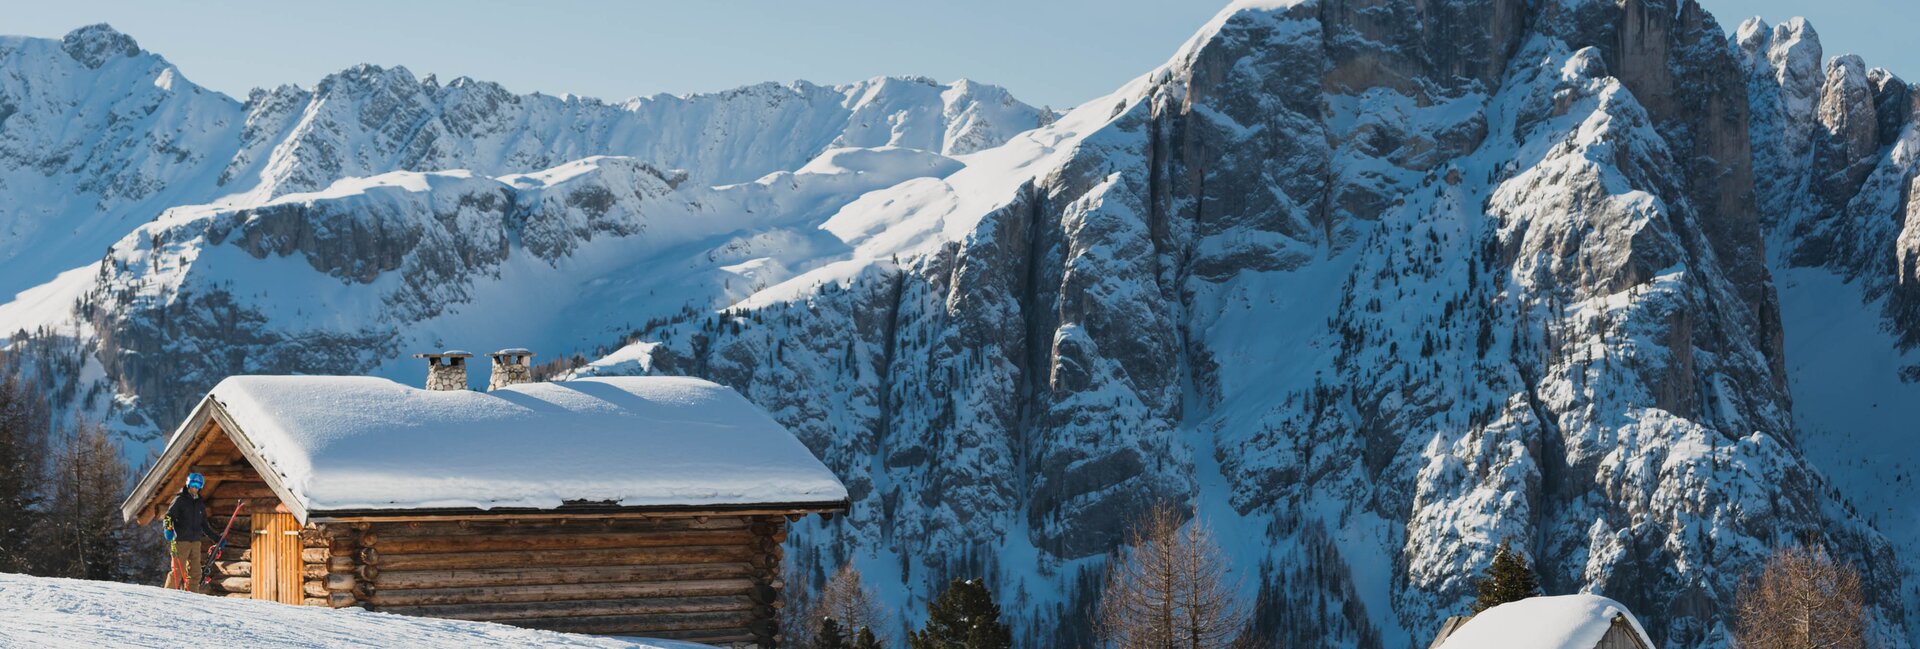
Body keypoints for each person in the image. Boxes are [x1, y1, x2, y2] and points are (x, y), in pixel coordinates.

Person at [163, 473, 221, 593]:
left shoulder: (199, 503)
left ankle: (191, 597)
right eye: (193, 484)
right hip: (181, 541)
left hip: (195, 542)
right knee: (177, 572)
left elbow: (204, 524)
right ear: (188, 485)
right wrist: (168, 529)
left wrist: (216, 538)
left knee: (196, 573)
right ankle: (167, 596)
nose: (195, 488)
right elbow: (168, 516)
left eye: (198, 485)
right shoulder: (180, 500)